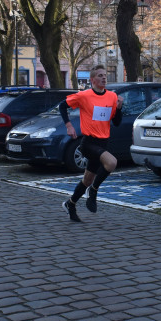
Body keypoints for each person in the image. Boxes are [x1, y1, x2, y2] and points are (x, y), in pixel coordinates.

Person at [59, 65, 123, 222]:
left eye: (105, 75)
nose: (104, 78)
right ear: (92, 80)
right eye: (100, 75)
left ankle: (70, 203)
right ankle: (93, 190)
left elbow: (116, 122)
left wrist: (119, 108)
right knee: (112, 163)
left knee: (87, 179)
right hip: (88, 142)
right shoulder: (84, 95)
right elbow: (62, 106)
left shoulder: (112, 97)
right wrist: (69, 126)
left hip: (103, 142)